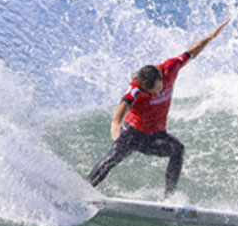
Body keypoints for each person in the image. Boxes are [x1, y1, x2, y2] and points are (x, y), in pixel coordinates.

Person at [88, 20, 230, 197]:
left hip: (156, 136)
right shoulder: (136, 87)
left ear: (161, 77)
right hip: (134, 134)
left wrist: (209, 38)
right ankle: (85, 190)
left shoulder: (170, 68)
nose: (158, 92)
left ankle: (169, 198)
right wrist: (116, 122)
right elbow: (124, 103)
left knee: (177, 149)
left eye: (159, 87)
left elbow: (191, 53)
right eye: (153, 91)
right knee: (111, 159)